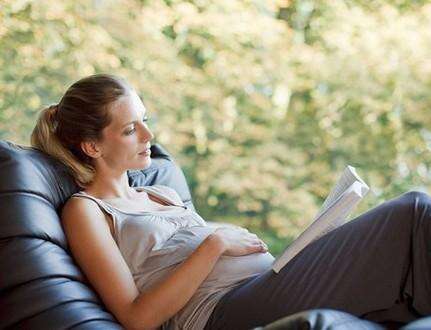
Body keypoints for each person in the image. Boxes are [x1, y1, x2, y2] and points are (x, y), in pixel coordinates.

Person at [30, 73, 431, 330]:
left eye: (146, 120)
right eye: (131, 129)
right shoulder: (86, 211)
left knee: (407, 263)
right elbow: (138, 318)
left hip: (260, 285)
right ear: (91, 145)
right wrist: (215, 243)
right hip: (221, 315)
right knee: (413, 210)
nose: (149, 137)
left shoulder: (160, 192)